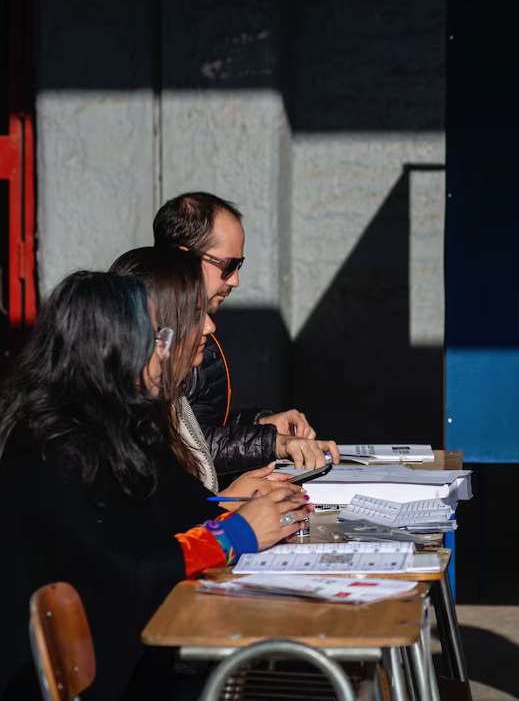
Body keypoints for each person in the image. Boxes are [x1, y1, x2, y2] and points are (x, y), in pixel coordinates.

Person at [0, 272, 311, 700]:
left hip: (139, 661)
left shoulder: (123, 421)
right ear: (112, 347)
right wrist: (234, 533)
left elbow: (183, 507)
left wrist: (242, 505)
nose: (165, 353)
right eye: (156, 339)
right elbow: (120, 573)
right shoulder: (48, 449)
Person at [110, 247, 339, 485]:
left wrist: (260, 426)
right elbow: (164, 513)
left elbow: (198, 444)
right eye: (195, 314)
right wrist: (231, 510)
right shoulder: (120, 425)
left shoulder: (169, 402)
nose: (210, 327)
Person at [150, 192, 334, 475]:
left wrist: (262, 425)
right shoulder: (150, 330)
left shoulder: (183, 326)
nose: (235, 280)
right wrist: (273, 442)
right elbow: (178, 447)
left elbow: (197, 429)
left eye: (239, 265)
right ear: (184, 258)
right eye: (228, 266)